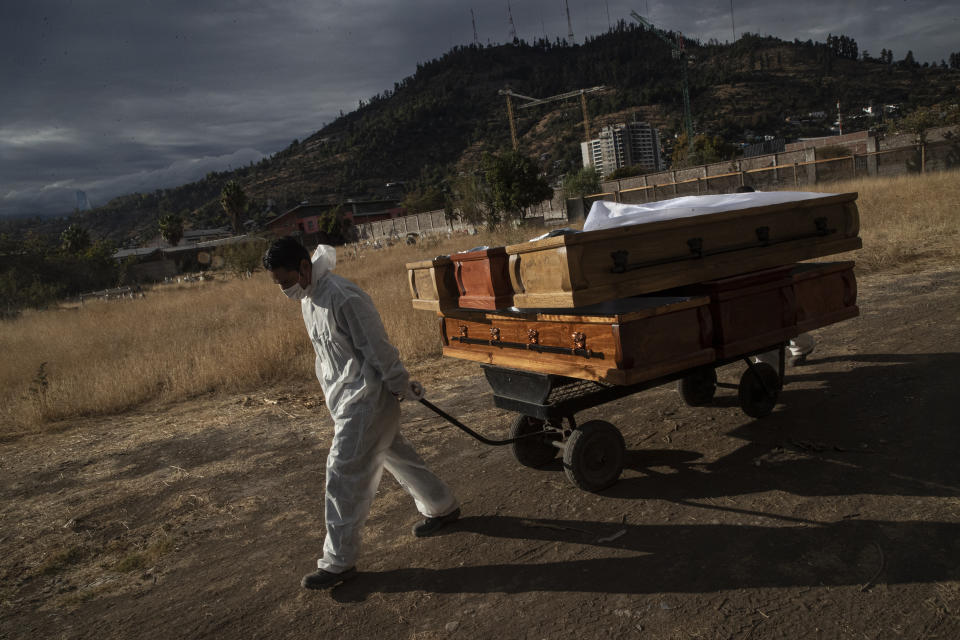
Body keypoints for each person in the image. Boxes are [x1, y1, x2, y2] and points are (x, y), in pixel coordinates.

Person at [262, 237, 460, 590]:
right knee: (395, 455)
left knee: (342, 474)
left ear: (304, 268)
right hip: (347, 402)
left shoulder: (343, 296)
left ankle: (338, 562)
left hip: (367, 401)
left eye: (286, 280)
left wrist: (400, 383)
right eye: (279, 283)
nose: (284, 289)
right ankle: (442, 506)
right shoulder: (310, 299)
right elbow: (330, 359)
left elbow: (376, 345)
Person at [734, 186, 816, 367]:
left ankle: (768, 369)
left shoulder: (770, 209)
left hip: (773, 268)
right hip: (757, 269)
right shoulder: (740, 214)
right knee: (778, 315)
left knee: (771, 317)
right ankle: (802, 346)